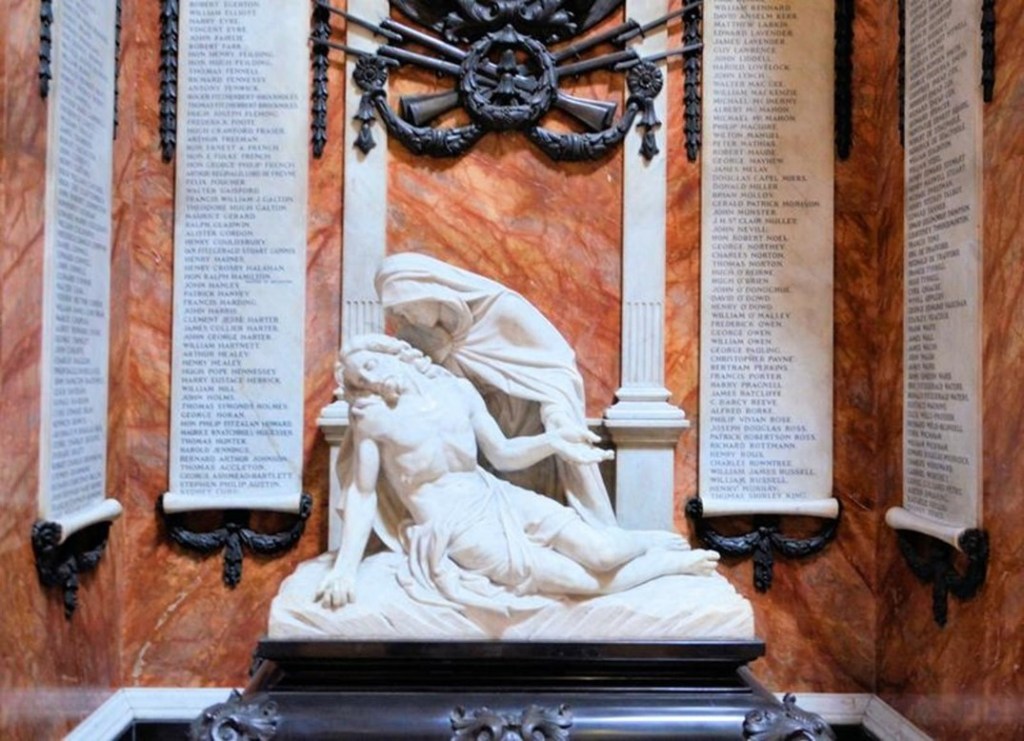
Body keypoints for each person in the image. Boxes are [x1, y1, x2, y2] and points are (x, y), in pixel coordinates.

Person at [316, 334, 718, 611]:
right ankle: (673, 565)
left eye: (368, 365)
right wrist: (345, 570)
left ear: (392, 354)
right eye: (359, 380)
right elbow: (362, 493)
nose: (368, 379)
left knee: (604, 553)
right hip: (455, 528)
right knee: (579, 583)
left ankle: (648, 544)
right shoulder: (371, 419)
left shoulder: (457, 392)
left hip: (494, 496)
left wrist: (554, 442)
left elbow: (503, 454)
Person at [374, 252, 617, 527]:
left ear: (431, 291)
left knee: (533, 516)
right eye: (396, 311)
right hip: (473, 445)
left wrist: (557, 417)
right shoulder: (417, 337)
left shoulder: (503, 310)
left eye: (406, 306)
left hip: (528, 427)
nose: (402, 317)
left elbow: (555, 369)